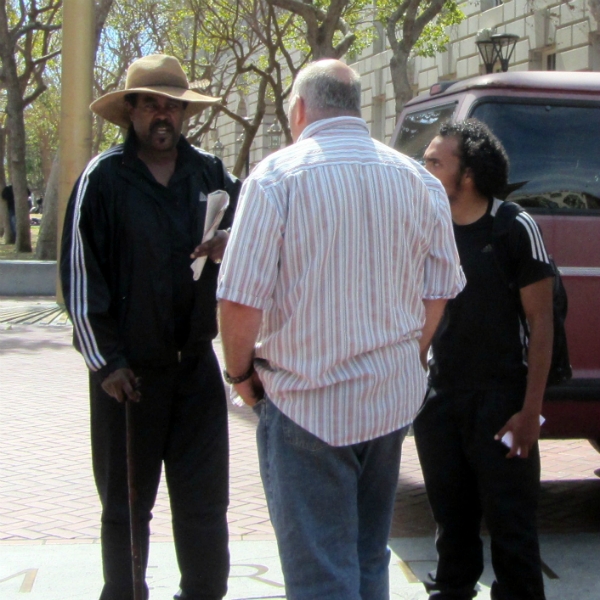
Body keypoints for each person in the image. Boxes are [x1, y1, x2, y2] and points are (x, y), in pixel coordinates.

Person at [216, 59, 465, 600]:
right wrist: (406, 353)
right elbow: (440, 289)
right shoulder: (418, 180)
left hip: (306, 400)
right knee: (366, 557)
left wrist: (239, 373)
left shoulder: (277, 177)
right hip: (387, 404)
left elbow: (238, 302)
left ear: (301, 109)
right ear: (354, 107)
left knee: (320, 574)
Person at [60, 54, 241, 600]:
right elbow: (78, 276)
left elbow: (257, 229)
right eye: (151, 105)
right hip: (128, 379)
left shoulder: (210, 173)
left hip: (196, 373)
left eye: (172, 106)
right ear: (130, 112)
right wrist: (107, 364)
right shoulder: (104, 179)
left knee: (206, 505)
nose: (163, 115)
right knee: (126, 508)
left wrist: (229, 240)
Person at [414, 119, 554, 600]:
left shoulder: (513, 226)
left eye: (434, 161)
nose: (423, 168)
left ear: (468, 174)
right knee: (452, 526)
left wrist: (530, 411)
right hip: (441, 401)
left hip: (501, 404)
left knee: (512, 530)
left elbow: (542, 326)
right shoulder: (426, 226)